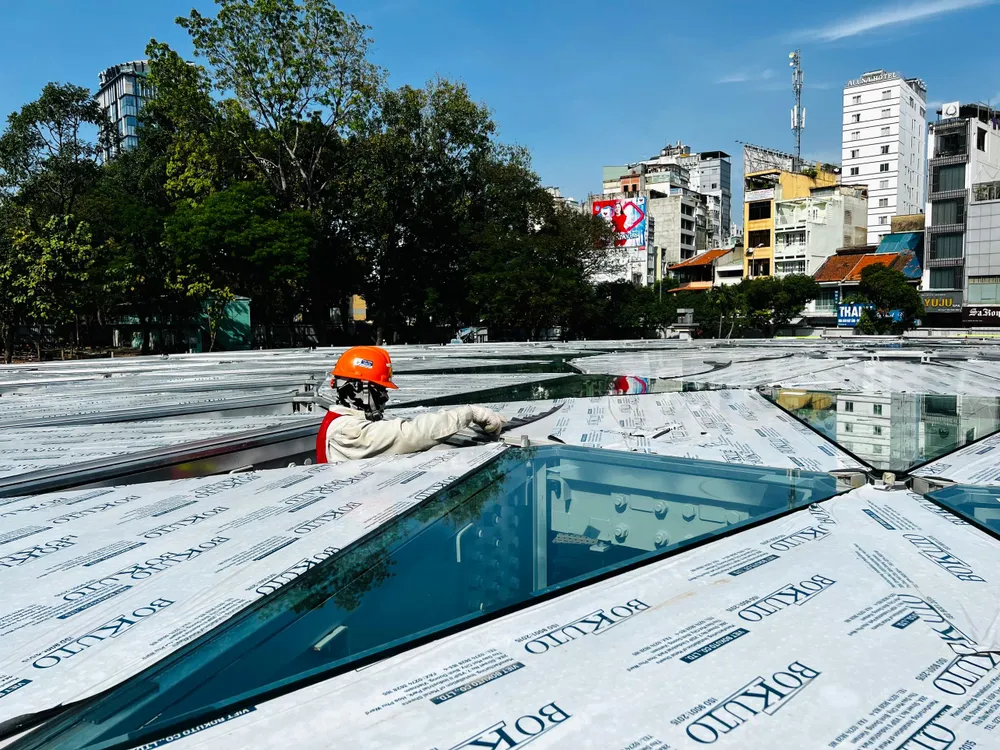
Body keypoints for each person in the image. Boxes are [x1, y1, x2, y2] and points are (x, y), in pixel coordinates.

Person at [316, 346, 509, 463]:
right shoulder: (347, 431)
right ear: (358, 389)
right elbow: (410, 434)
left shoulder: (346, 423)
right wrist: (470, 413)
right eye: (380, 390)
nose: (385, 398)